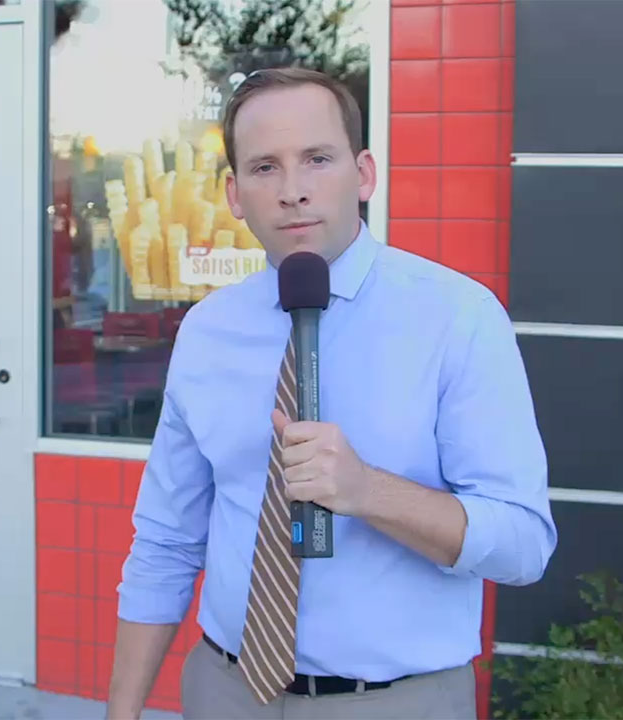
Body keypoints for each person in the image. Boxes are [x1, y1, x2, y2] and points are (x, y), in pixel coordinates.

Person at [105, 67, 557, 720]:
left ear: (364, 174)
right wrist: (122, 711)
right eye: (265, 167)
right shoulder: (206, 331)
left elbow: (523, 546)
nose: (293, 191)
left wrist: (368, 490)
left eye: (317, 158)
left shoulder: (457, 318)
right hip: (225, 689)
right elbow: (166, 539)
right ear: (234, 194)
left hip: (395, 702)